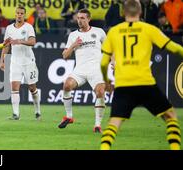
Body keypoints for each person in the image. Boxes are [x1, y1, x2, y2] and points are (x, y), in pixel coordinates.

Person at [100, 0, 183, 150]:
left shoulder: (114, 32)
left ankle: (104, 148)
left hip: (123, 84)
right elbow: (174, 48)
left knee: (113, 124)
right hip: (145, 83)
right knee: (170, 116)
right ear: (140, 12)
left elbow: (104, 63)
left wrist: (107, 82)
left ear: (123, 13)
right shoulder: (149, 29)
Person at [58, 9, 107, 133]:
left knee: (100, 92)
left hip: (96, 70)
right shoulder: (73, 35)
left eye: (82, 18)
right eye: (78, 18)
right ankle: (69, 116)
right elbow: (65, 55)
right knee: (67, 85)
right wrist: (73, 45)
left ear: (89, 19)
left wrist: (113, 61)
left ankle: (97, 125)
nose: (79, 20)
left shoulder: (99, 32)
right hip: (79, 70)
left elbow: (109, 49)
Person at [0, 6, 41, 121]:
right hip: (15, 62)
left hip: (28, 62)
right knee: (14, 87)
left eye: (21, 13)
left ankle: (37, 111)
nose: (19, 15)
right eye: (17, 13)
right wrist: (2, 60)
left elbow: (33, 41)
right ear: (15, 14)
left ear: (24, 15)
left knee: (32, 87)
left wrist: (20, 41)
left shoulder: (28, 27)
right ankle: (16, 114)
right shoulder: (9, 28)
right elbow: (6, 45)